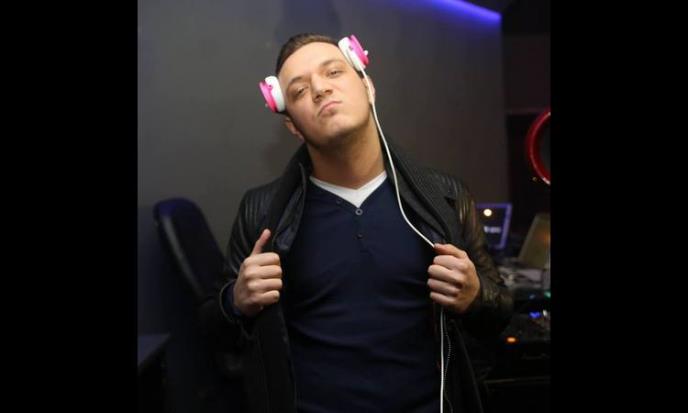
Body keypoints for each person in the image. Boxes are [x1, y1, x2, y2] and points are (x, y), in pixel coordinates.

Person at [200, 33, 513, 413]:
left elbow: (500, 311)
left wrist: (476, 296)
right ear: (292, 125)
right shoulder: (263, 212)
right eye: (299, 91)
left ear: (368, 87)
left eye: (333, 72)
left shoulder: (445, 197)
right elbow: (212, 330)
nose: (320, 89)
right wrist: (236, 302)